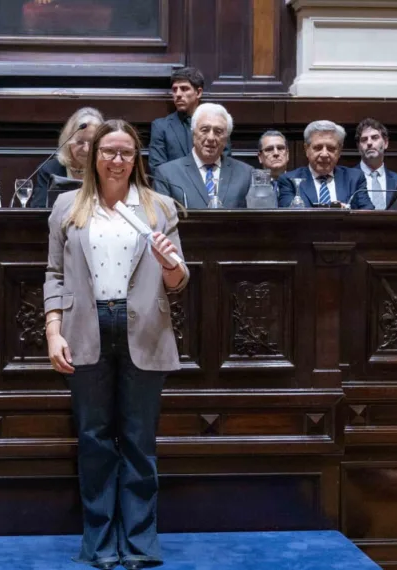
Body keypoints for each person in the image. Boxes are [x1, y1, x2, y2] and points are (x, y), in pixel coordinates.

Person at [45, 119, 188, 570]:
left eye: (126, 152)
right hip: (85, 327)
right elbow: (54, 274)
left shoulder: (159, 207)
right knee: (94, 441)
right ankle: (101, 544)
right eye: (109, 151)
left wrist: (170, 265)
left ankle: (141, 544)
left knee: (139, 440)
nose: (117, 160)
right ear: (93, 155)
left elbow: (180, 281)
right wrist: (53, 331)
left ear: (137, 158)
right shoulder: (68, 206)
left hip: (142, 327)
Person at [153, 103, 252, 209]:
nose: (211, 138)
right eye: (204, 130)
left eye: (218, 132)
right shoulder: (167, 174)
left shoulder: (246, 174)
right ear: (193, 133)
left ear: (226, 138)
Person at [277, 120, 373, 210]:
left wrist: (346, 212)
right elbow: (288, 218)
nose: (324, 154)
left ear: (339, 151)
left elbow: (368, 214)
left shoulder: (354, 178)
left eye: (331, 148)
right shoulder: (289, 181)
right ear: (306, 149)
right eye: (318, 148)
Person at [148, 67, 229, 172]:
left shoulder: (218, 123)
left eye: (184, 89)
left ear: (198, 93)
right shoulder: (161, 127)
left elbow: (225, 164)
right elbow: (157, 169)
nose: (178, 94)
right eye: (174, 89)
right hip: (175, 187)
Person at [30, 107, 104, 208]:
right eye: (80, 142)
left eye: (92, 143)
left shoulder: (106, 169)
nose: (86, 149)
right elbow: (38, 209)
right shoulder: (49, 170)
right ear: (68, 142)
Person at [355, 118, 397, 211]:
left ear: (385, 143)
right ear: (359, 148)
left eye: (375, 137)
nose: (369, 143)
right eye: (364, 139)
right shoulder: (348, 179)